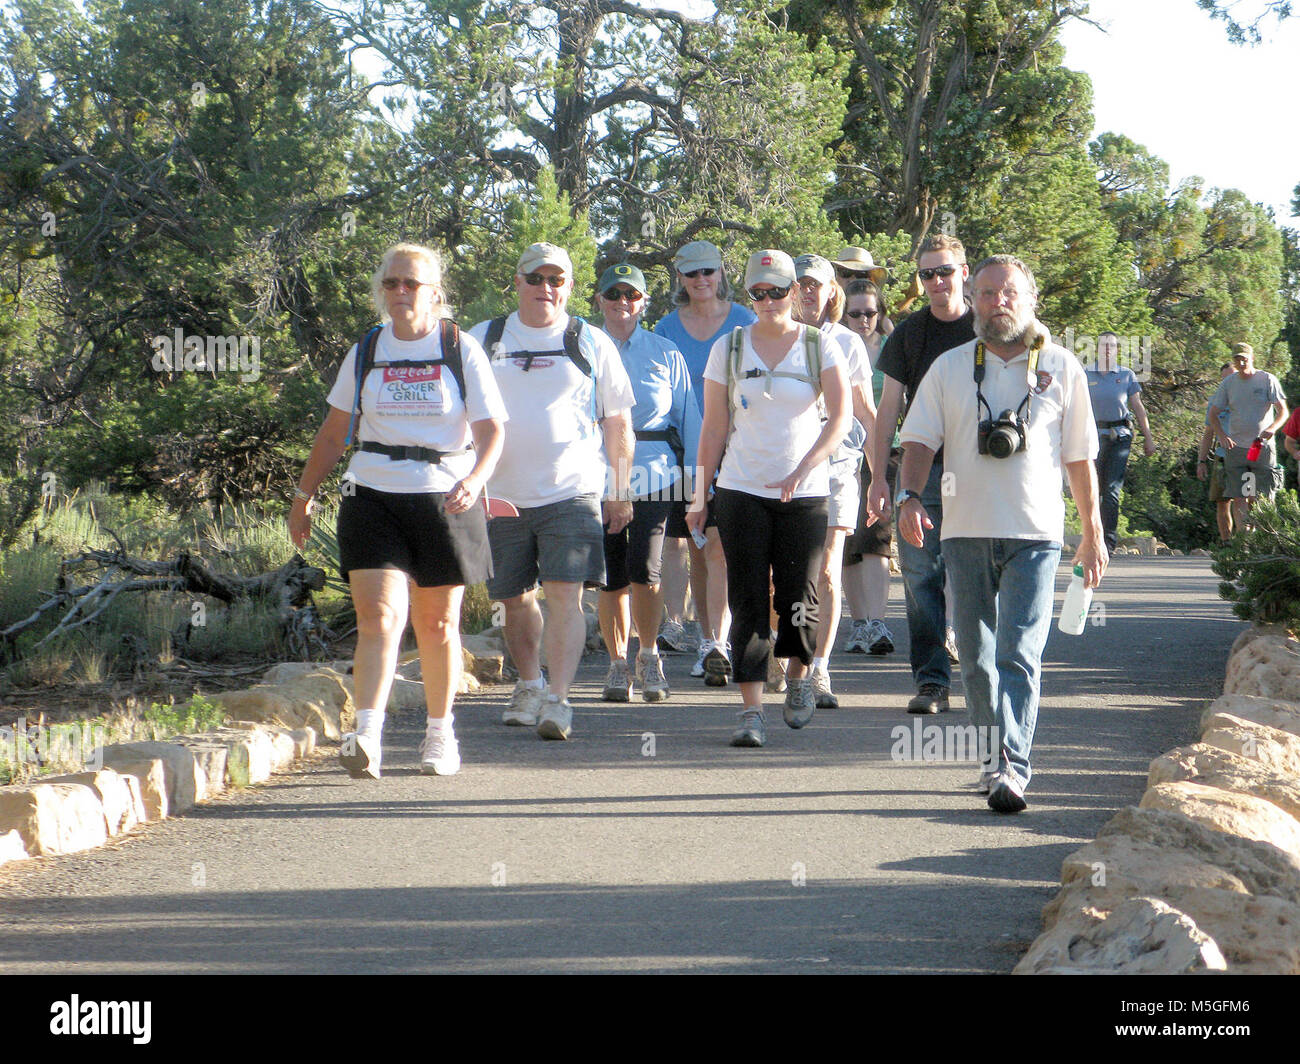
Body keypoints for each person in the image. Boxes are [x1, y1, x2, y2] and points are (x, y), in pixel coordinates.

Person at [897, 254, 1105, 814]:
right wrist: (909, 496)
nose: (997, 303)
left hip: (1035, 533)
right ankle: (994, 759)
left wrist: (1093, 531)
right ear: (973, 300)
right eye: (986, 293)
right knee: (977, 656)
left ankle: (1011, 766)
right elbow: (918, 440)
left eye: (1008, 292)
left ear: (1030, 299)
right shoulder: (950, 367)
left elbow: (1080, 456)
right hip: (963, 531)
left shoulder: (1062, 367)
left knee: (1019, 652)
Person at [290, 243, 507, 779]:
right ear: (381, 291)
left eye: (412, 283)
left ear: (436, 293)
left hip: (444, 496)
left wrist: (476, 480)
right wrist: (303, 496)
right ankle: (367, 734)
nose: (402, 293)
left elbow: (491, 430)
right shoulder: (367, 349)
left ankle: (439, 733)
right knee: (379, 616)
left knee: (436, 625)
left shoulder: (460, 348)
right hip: (372, 494)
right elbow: (336, 430)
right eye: (392, 284)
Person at [469, 243, 636, 740]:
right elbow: (459, 415)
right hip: (500, 494)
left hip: (572, 489)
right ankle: (529, 683)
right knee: (514, 599)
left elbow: (618, 421)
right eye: (536, 278)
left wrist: (621, 490)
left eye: (557, 280)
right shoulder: (485, 338)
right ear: (517, 281)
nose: (546, 288)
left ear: (569, 285)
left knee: (566, 595)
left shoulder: (589, 340)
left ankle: (560, 700)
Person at [687, 249, 849, 747]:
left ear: (795, 292)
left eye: (778, 290)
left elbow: (841, 419)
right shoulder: (730, 349)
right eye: (758, 292)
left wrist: (805, 467)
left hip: (805, 493)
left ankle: (798, 678)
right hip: (741, 489)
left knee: (801, 593)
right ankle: (751, 709)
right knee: (749, 595)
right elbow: (714, 428)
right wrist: (699, 495)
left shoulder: (820, 345)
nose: (769, 301)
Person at [867, 233, 976, 715]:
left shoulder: (990, 326)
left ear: (964, 273)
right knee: (919, 575)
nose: (936, 282)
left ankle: (982, 674)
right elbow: (887, 409)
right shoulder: (909, 334)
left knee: (978, 573)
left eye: (945, 271)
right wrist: (879, 478)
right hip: (922, 469)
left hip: (983, 470)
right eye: (927, 274)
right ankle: (932, 680)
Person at [594, 263, 702, 703]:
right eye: (615, 294)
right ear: (599, 299)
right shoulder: (585, 347)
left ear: (643, 302)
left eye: (632, 295)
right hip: (597, 471)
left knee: (647, 568)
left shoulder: (664, 351)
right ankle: (617, 664)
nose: (624, 302)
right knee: (610, 575)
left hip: (655, 469)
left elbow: (689, 418)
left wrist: (697, 481)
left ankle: (649, 654)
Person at [654, 241, 757, 684]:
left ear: (721, 273)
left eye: (708, 272)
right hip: (683, 452)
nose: (701, 280)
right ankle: (708, 641)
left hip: (739, 448)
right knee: (696, 546)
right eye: (692, 273)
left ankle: (725, 640)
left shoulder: (745, 321)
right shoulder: (665, 328)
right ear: (680, 278)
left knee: (720, 548)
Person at [790, 254, 876, 708]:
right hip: (785, 462)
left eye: (815, 284)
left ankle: (819, 667)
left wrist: (881, 473)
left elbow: (864, 409)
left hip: (839, 464)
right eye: (799, 283)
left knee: (827, 569)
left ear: (831, 292)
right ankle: (789, 657)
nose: (807, 291)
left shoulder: (847, 342)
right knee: (783, 572)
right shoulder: (772, 338)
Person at [840, 279, 897, 656]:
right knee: (846, 542)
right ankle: (858, 623)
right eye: (855, 313)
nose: (863, 320)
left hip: (885, 451)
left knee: (877, 538)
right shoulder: (833, 346)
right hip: (842, 452)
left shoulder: (893, 350)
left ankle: (876, 622)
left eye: (870, 313)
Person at [1207, 342, 1289, 534]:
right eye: (1237, 359)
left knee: (1262, 494)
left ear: (1252, 358)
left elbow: (1283, 411)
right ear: (1234, 361)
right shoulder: (1229, 383)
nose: (1241, 362)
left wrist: (1273, 428)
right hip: (1237, 448)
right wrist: (1222, 435)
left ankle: (1264, 538)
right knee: (1239, 495)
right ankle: (1244, 541)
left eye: (1244, 358)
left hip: (1260, 446)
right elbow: (1213, 414)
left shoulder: (1267, 379)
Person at [1086, 332, 1156, 553]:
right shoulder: (1086, 374)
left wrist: (1148, 438)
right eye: (1104, 345)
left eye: (1112, 346)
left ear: (1117, 350)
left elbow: (1138, 408)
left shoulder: (1126, 375)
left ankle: (1108, 540)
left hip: (1119, 437)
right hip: (1092, 437)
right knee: (1091, 488)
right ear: (1097, 348)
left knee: (1111, 489)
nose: (1107, 349)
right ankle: (1091, 537)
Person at [1196, 364, 1236, 543]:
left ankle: (1248, 543)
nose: (1229, 381)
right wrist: (1201, 461)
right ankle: (1227, 543)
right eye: (1225, 378)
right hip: (1222, 457)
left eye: (1232, 377)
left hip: (1248, 456)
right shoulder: (1215, 402)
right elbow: (1208, 434)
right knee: (1222, 502)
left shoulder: (1250, 399)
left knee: (1249, 500)